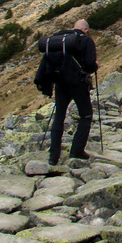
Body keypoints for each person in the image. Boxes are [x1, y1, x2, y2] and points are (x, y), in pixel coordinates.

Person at [43, 19, 97, 165]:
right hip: (77, 83)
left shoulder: (60, 39)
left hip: (60, 81)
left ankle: (53, 155)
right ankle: (77, 151)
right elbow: (90, 64)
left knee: (59, 115)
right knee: (85, 115)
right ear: (86, 30)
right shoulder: (86, 40)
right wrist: (95, 66)